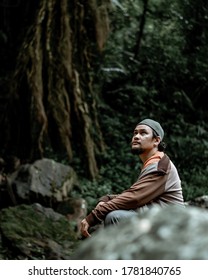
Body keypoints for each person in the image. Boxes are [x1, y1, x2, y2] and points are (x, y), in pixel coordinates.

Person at [80, 118, 184, 238]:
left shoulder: (160, 167)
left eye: (143, 133)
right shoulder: (153, 163)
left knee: (115, 217)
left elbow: (134, 198)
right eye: (135, 133)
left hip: (173, 228)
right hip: (158, 222)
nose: (136, 136)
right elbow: (134, 195)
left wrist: (93, 217)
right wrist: (107, 199)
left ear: (156, 141)